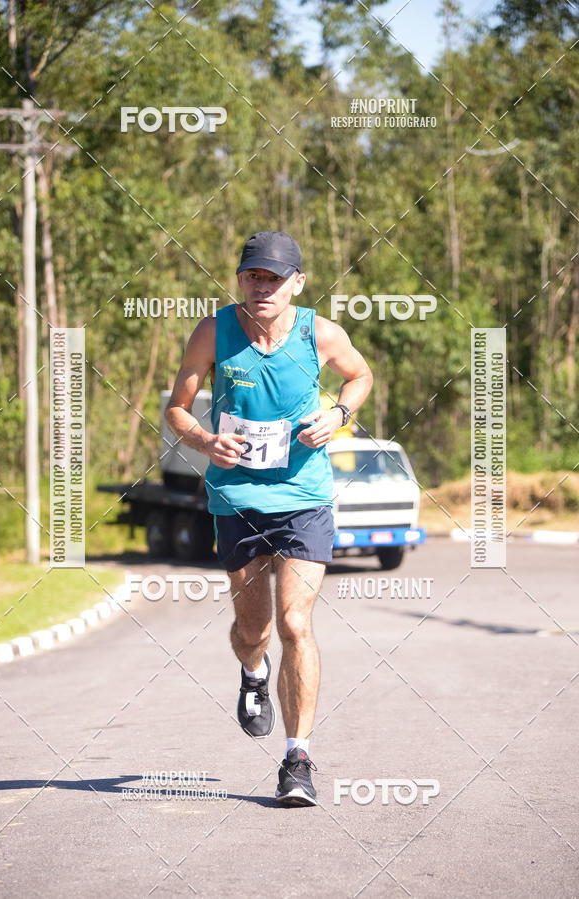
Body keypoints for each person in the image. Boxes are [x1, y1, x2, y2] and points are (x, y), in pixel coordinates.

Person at [165, 231, 373, 806]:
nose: (264, 287)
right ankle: (252, 672)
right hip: (235, 499)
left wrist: (338, 413)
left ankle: (297, 758)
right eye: (254, 276)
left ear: (297, 283)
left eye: (275, 278)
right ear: (241, 279)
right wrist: (206, 440)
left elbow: (361, 376)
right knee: (253, 631)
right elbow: (176, 408)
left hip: (304, 496)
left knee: (295, 624)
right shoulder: (213, 332)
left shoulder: (321, 333)